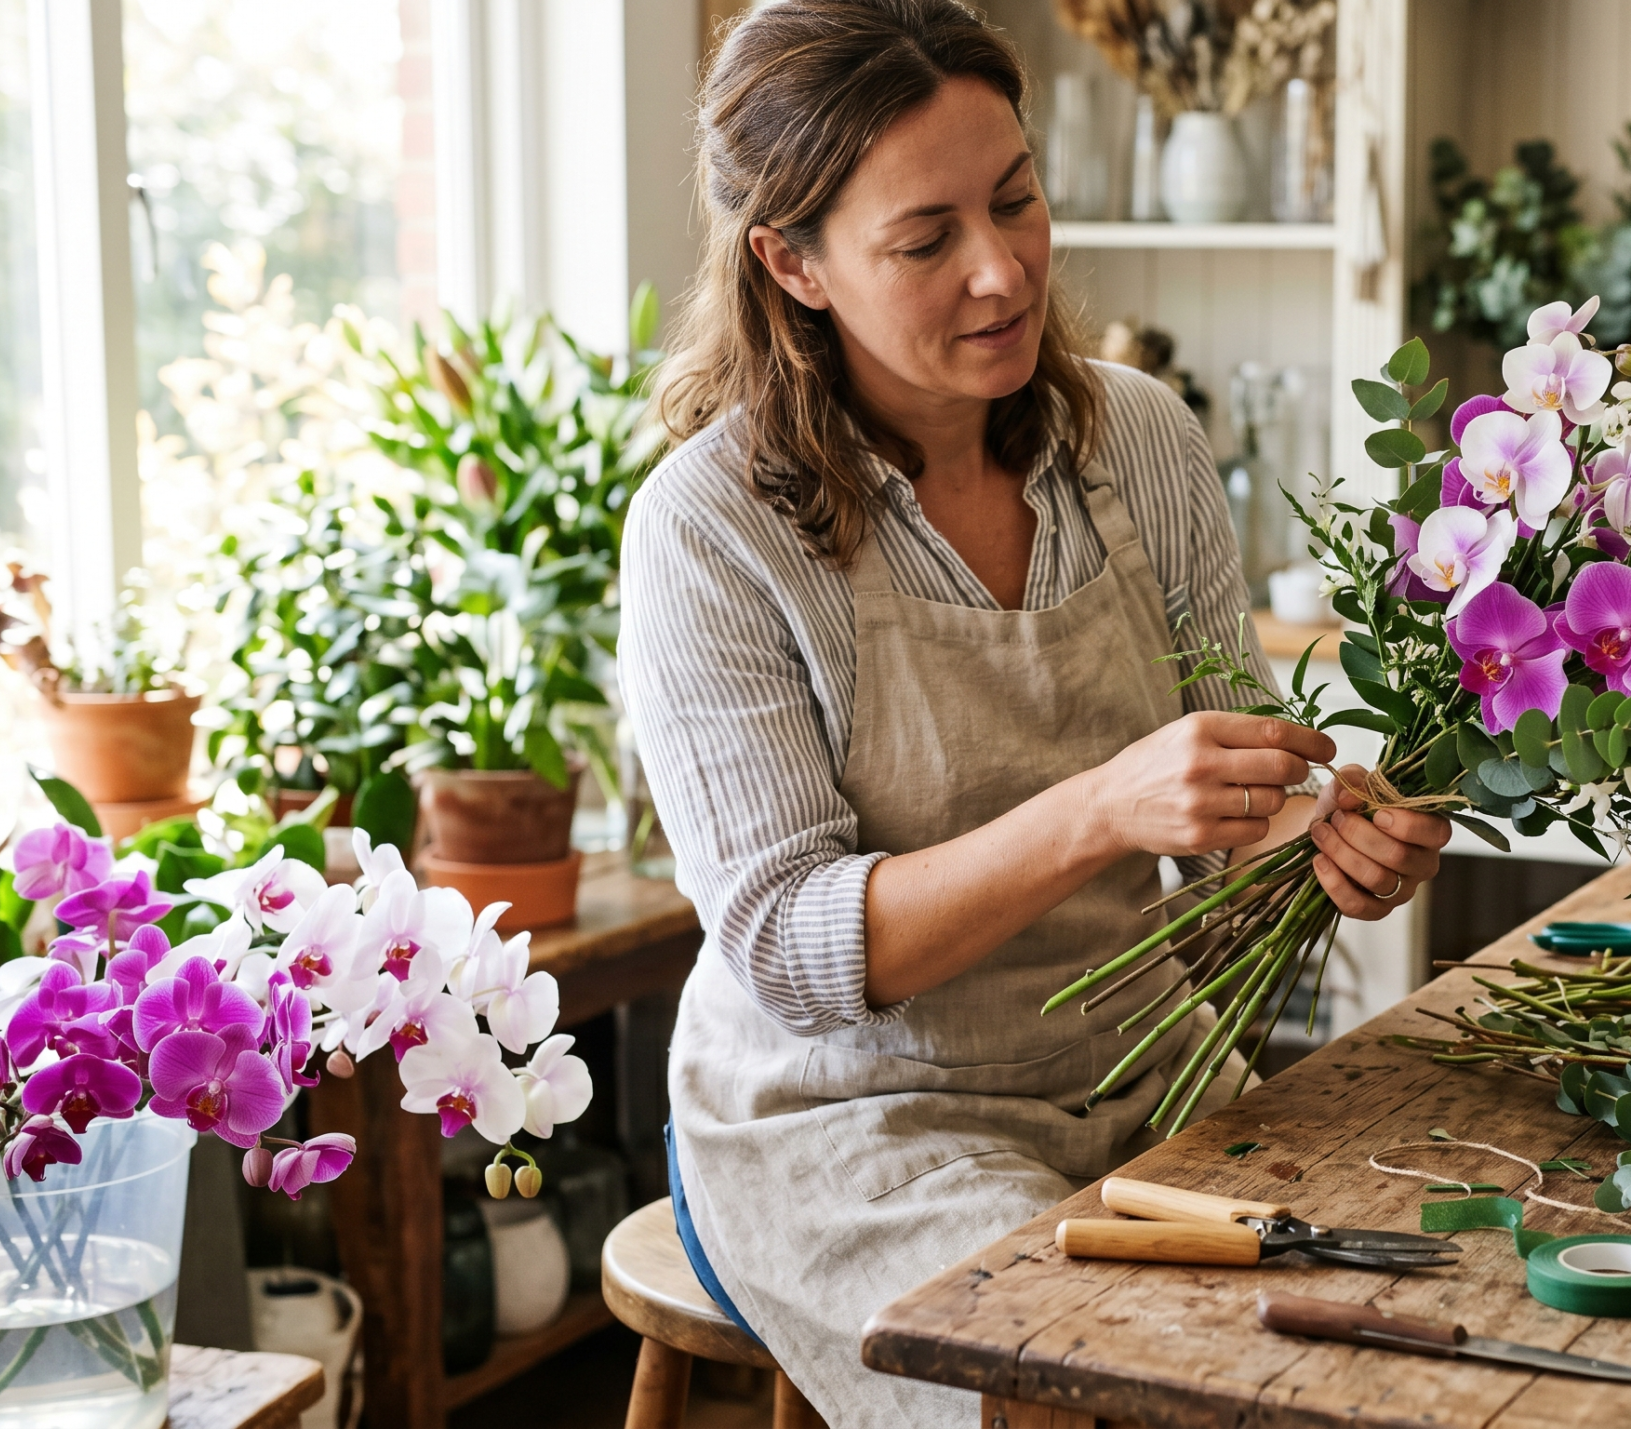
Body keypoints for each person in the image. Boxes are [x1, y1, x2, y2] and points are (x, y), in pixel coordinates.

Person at [619, 2, 1449, 1422]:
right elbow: (789, 953)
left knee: (1396, 1307)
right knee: (1092, 1375)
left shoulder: (1138, 436)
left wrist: (1321, 845)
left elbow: (1228, 825)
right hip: (853, 1125)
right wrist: (1098, 811)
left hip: (1137, 1068)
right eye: (927, 238)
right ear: (792, 262)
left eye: (1016, 199)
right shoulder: (709, 527)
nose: (1003, 273)